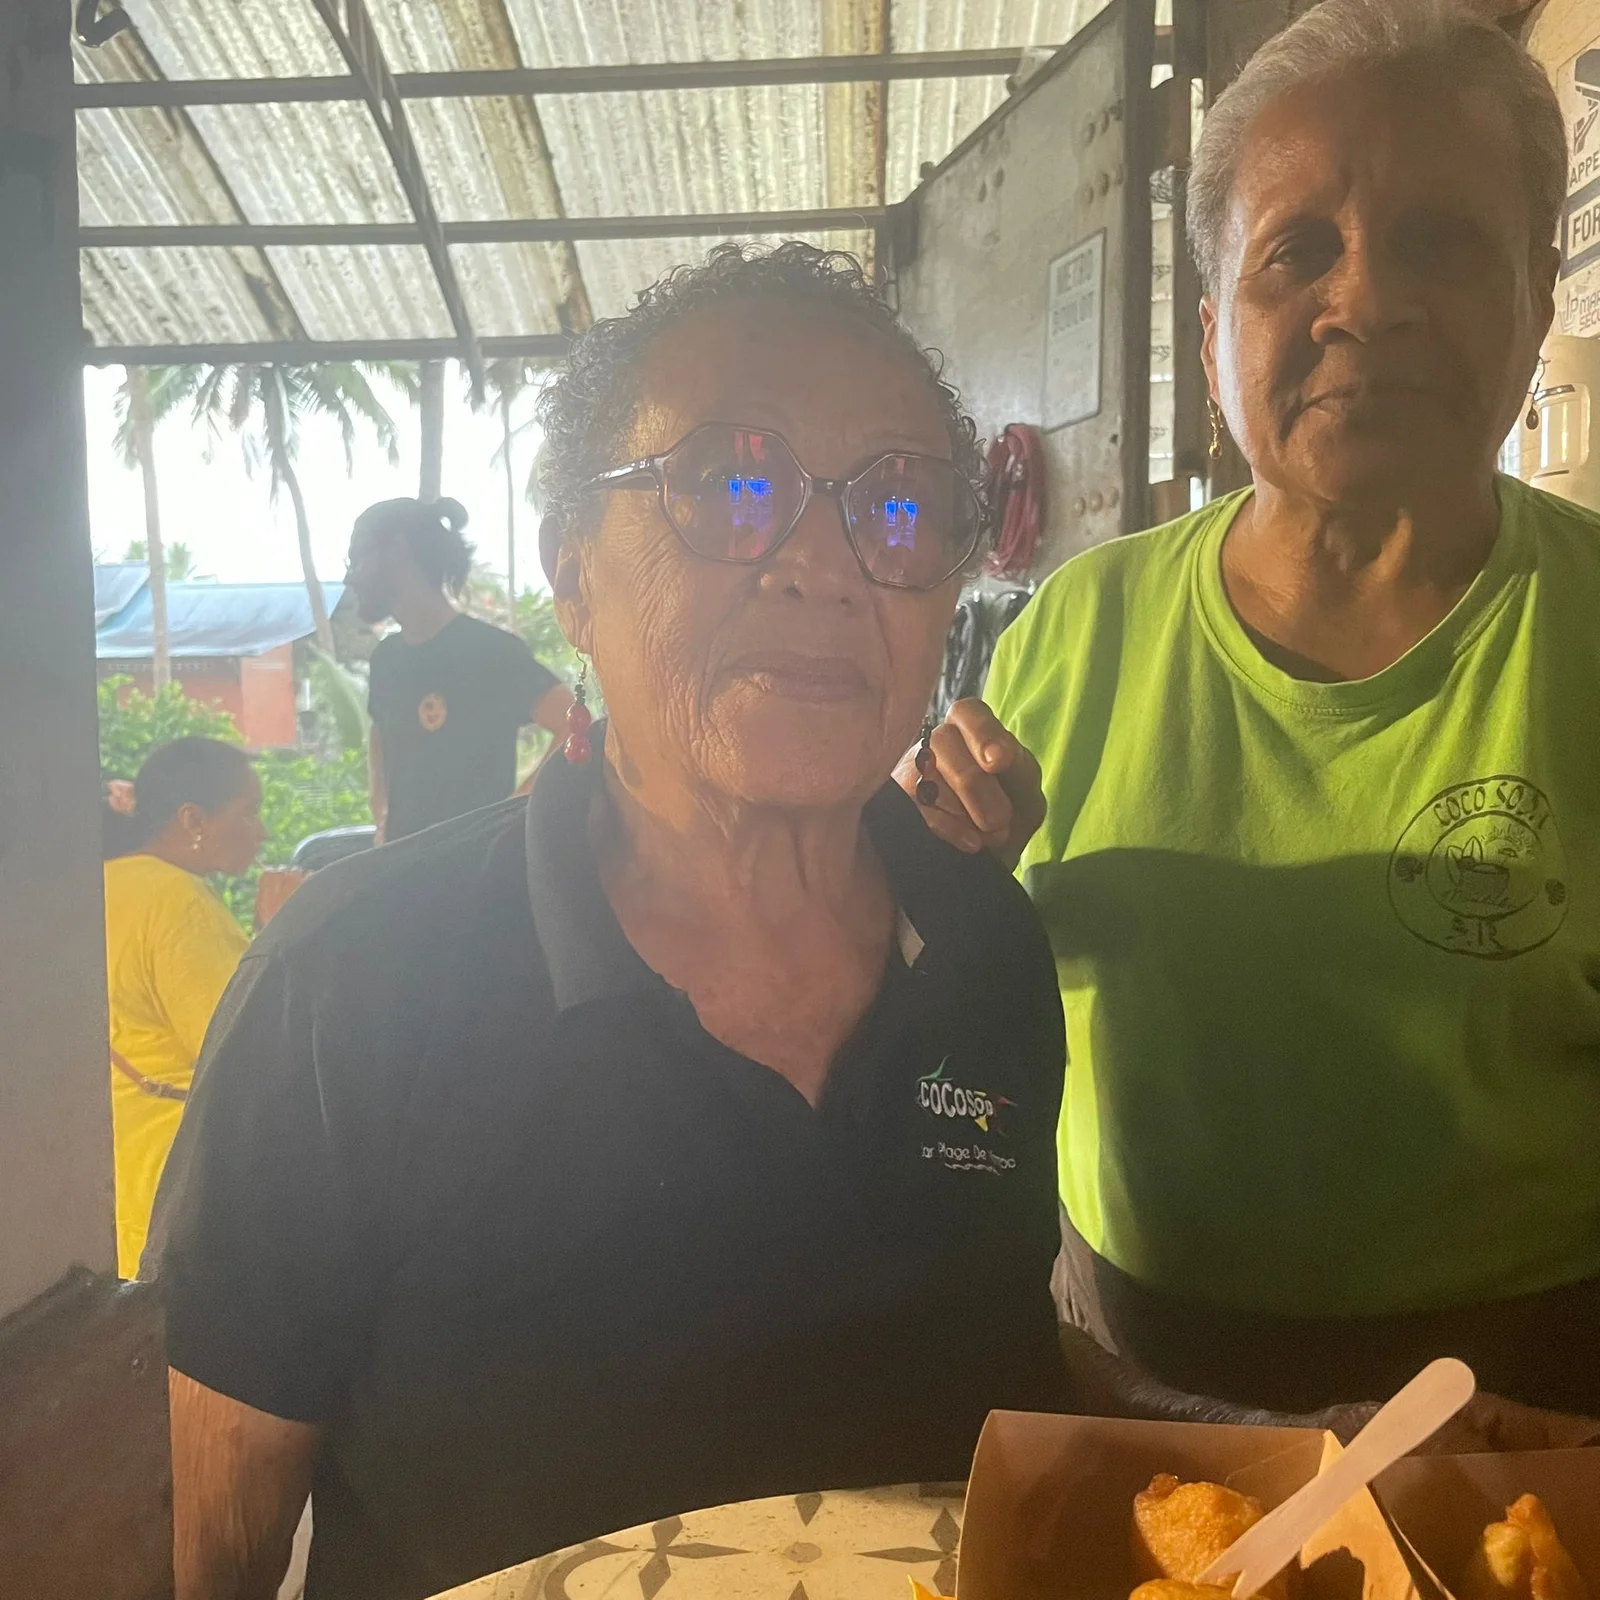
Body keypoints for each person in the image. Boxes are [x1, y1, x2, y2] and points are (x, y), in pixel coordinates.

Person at [152, 244, 1094, 1600]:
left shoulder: (985, 948)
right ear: (575, 579)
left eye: (899, 504)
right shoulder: (350, 989)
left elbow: (999, 1365)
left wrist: (1258, 1447)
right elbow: (216, 1546)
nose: (824, 564)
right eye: (735, 481)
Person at [907, 0, 1600, 1419]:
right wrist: (932, 877)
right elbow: (948, 1024)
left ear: (1540, 291)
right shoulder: (1078, 634)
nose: (1368, 303)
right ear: (1218, 325)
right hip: (1129, 1384)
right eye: (1300, 252)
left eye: (1440, 241)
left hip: (1533, 1410)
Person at [102, 738, 262, 1278]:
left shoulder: (103, 883)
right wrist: (280, 929)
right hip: (179, 1175)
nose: (259, 831)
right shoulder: (178, 902)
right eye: (248, 813)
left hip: (116, 1160)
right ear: (192, 818)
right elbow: (246, 1049)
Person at [346, 495, 573, 841]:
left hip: (475, 880)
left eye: (357, 558)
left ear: (396, 551)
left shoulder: (491, 653)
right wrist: (382, 815)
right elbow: (380, 733)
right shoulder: (385, 660)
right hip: (403, 873)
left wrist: (514, 811)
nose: (350, 577)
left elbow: (574, 724)